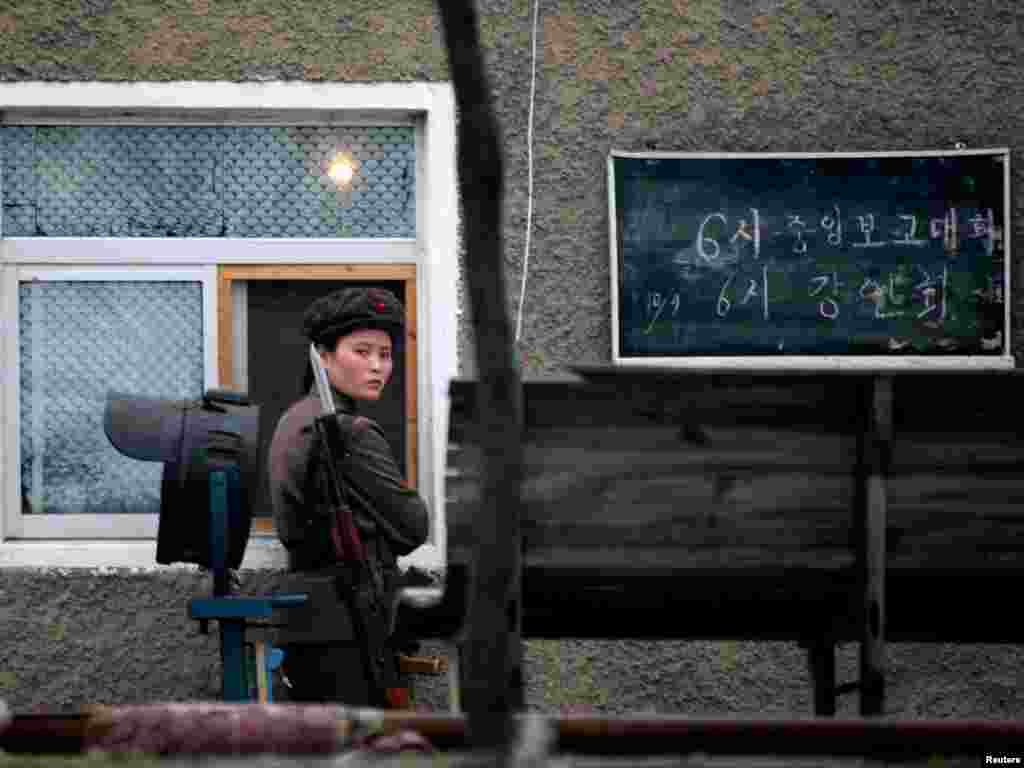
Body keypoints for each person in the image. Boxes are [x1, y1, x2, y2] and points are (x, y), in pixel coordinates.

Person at [267, 286, 429, 704]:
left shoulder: (292, 421)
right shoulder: (348, 434)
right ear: (323, 355)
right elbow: (413, 526)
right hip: (350, 626)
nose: (377, 366)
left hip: (309, 620)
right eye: (362, 351)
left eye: (386, 354)